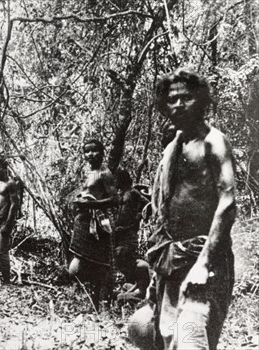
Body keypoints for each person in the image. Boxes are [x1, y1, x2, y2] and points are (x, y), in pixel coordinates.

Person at [128, 68, 236, 350]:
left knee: (191, 340)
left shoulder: (213, 142)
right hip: (171, 260)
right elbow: (165, 212)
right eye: (172, 99)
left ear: (201, 100)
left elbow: (227, 203)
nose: (178, 104)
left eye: (186, 98)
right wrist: (156, 274)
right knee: (152, 332)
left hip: (202, 260)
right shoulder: (173, 148)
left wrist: (203, 264)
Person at [68, 139, 117, 309]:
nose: (90, 154)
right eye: (87, 151)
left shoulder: (105, 173)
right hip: (84, 221)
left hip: (98, 222)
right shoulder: (89, 172)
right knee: (81, 264)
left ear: (102, 152)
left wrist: (91, 205)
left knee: (99, 264)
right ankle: (90, 303)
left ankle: (102, 304)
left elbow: (114, 199)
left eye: (94, 151)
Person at [113, 168, 150, 301]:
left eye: (116, 179)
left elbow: (148, 205)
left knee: (125, 256)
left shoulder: (133, 192)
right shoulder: (122, 194)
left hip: (129, 233)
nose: (114, 182)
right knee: (119, 258)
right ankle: (133, 286)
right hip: (120, 233)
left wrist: (138, 218)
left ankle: (141, 287)